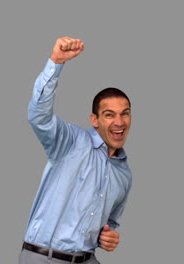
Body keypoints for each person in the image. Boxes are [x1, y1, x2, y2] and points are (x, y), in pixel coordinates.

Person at [19, 36, 133, 264]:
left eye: (125, 113)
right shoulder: (70, 142)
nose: (119, 122)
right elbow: (39, 116)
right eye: (109, 115)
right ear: (95, 120)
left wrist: (107, 238)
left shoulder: (124, 174)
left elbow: (108, 225)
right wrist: (56, 63)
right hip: (45, 258)